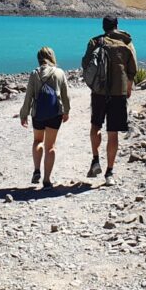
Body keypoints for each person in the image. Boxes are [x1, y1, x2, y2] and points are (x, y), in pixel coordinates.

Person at [81, 15, 137, 186]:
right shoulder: (127, 43)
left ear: (103, 27)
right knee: (113, 133)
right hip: (118, 94)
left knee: (95, 126)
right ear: (117, 26)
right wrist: (128, 89)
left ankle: (95, 159)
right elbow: (132, 70)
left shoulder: (95, 42)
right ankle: (109, 173)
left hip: (99, 92)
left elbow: (85, 64)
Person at [18, 46, 70, 189]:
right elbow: (65, 95)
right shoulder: (59, 73)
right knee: (50, 146)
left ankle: (36, 170)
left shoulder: (34, 74)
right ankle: (47, 180)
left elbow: (28, 95)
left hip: (38, 113)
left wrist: (24, 114)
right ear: (52, 57)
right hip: (55, 113)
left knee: (37, 141)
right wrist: (67, 111)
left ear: (39, 58)